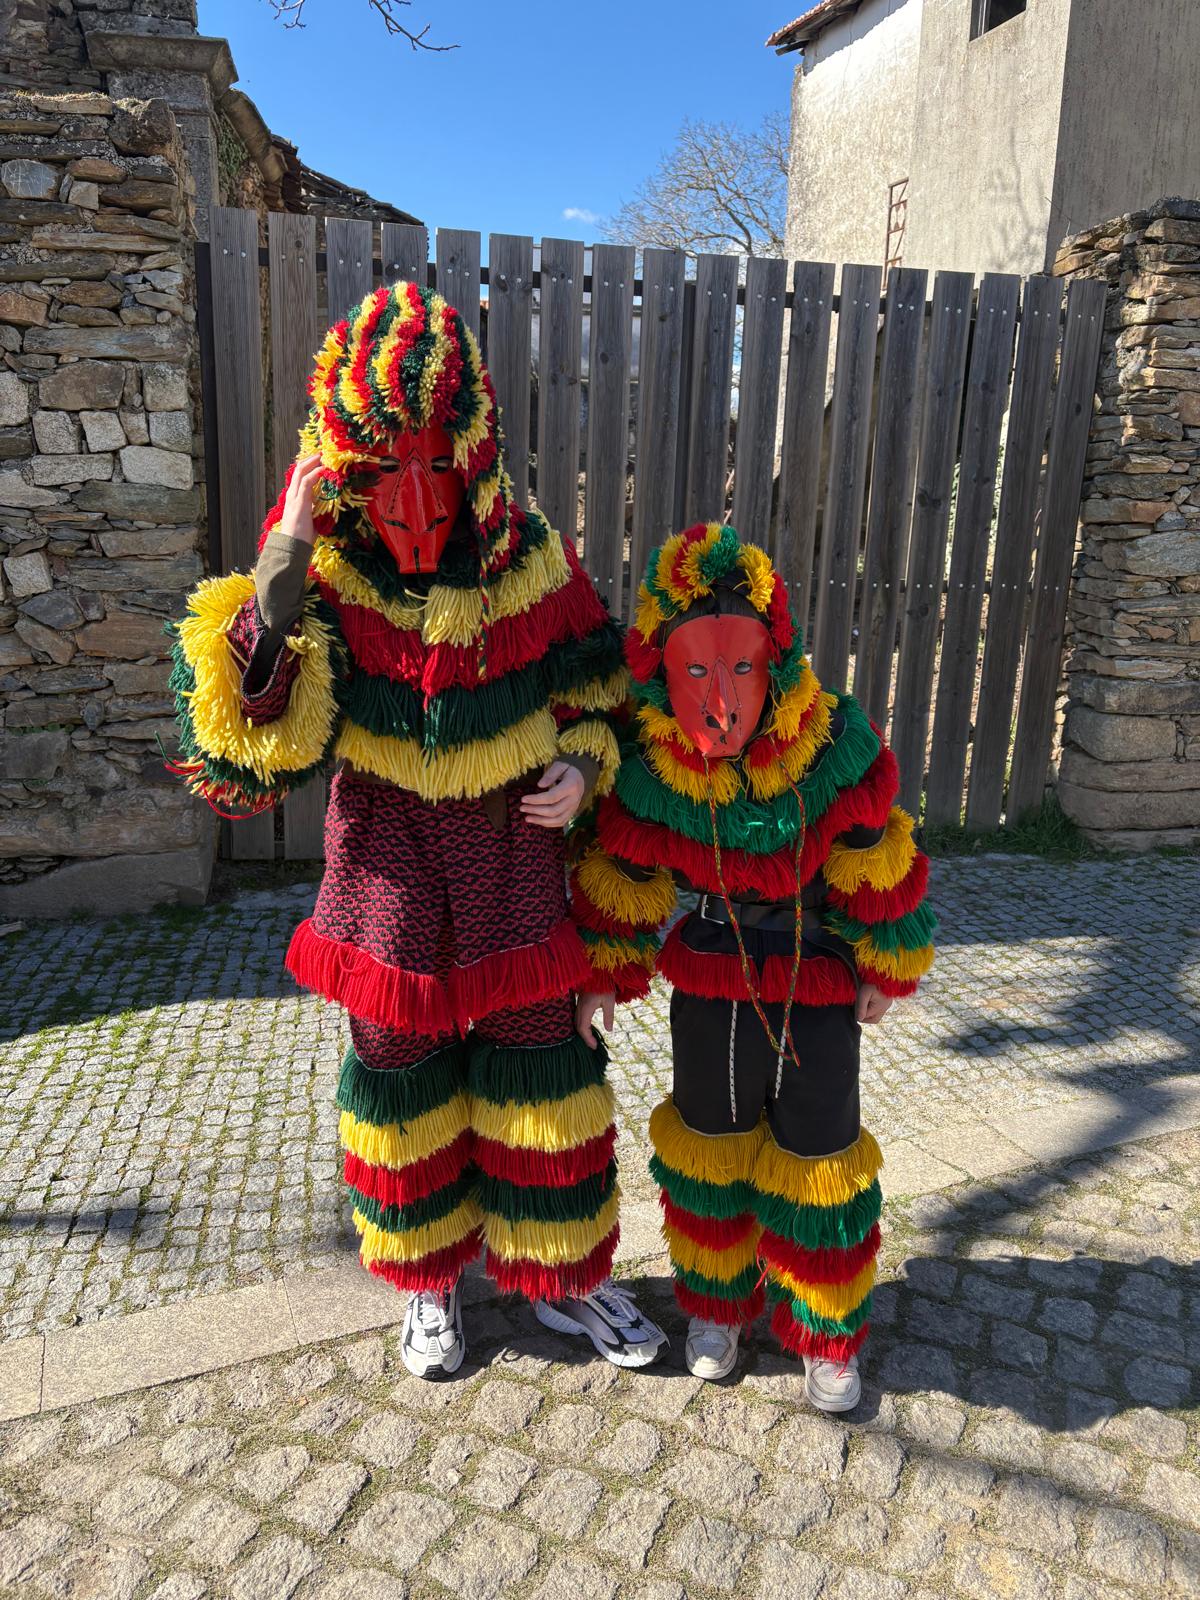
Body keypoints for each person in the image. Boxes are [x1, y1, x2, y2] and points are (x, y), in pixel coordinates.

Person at [168, 281, 665, 1377]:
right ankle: (429, 1280)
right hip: (385, 867)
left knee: (544, 1066)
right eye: (387, 462)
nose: (414, 490)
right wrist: (287, 552)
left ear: (472, 447)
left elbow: (599, 691)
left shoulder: (532, 556)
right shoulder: (328, 566)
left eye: (435, 460)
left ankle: (565, 1276)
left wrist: (583, 767)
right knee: (398, 1076)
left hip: (511, 856)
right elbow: (253, 743)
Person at [571, 523, 934, 1409]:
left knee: (820, 1150)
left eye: (741, 668)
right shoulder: (653, 758)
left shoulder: (831, 738)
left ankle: (825, 1328)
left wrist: (887, 960)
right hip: (712, 969)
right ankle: (717, 1307)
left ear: (775, 661)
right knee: (709, 1145)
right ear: (664, 670)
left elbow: (874, 845)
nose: (721, 699)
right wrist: (605, 971)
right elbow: (630, 869)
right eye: (697, 671)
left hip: (815, 971)